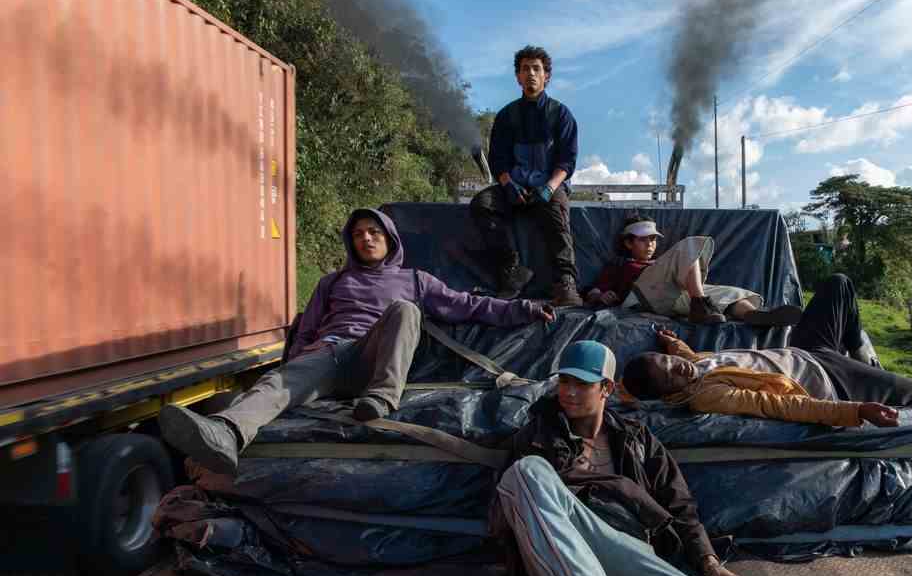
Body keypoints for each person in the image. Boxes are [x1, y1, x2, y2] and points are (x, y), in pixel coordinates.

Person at [463, 340, 766, 576]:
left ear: (606, 388)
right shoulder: (536, 436)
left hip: (629, 550)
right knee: (525, 473)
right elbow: (514, 510)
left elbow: (681, 507)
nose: (569, 392)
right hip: (568, 554)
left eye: (582, 384)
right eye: (565, 382)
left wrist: (709, 563)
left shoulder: (638, 439)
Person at [158, 208, 553, 476]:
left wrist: (524, 309)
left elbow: (468, 305)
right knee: (275, 384)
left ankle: (381, 398)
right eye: (359, 234)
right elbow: (307, 330)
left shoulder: (415, 280)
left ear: (389, 239)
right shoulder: (333, 281)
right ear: (351, 243)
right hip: (329, 356)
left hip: (373, 357)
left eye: (374, 232)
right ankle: (226, 434)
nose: (366, 238)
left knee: (405, 310)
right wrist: (295, 365)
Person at [621, 274, 912, 425]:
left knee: (839, 284)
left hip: (803, 350)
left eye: (669, 361)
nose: (680, 367)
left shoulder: (693, 367)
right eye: (671, 375)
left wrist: (673, 345)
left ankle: (867, 360)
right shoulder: (707, 395)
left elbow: (691, 361)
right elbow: (781, 406)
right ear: (668, 395)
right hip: (826, 377)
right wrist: (855, 411)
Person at [470, 45, 582, 307]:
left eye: (536, 69)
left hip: (549, 186)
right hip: (515, 186)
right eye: (525, 69)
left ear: (546, 76)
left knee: (558, 217)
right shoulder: (507, 116)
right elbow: (498, 159)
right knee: (482, 205)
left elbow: (567, 159)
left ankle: (565, 283)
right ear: (517, 77)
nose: (530, 73)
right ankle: (512, 270)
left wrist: (550, 187)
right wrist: (508, 185)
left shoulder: (561, 114)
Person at [584, 214, 807, 325]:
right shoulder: (620, 264)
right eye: (643, 240)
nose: (650, 244)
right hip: (641, 296)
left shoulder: (660, 262)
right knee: (689, 246)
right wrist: (601, 296)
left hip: (672, 298)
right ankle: (700, 304)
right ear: (628, 243)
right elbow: (594, 290)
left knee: (730, 293)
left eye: (653, 239)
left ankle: (755, 316)